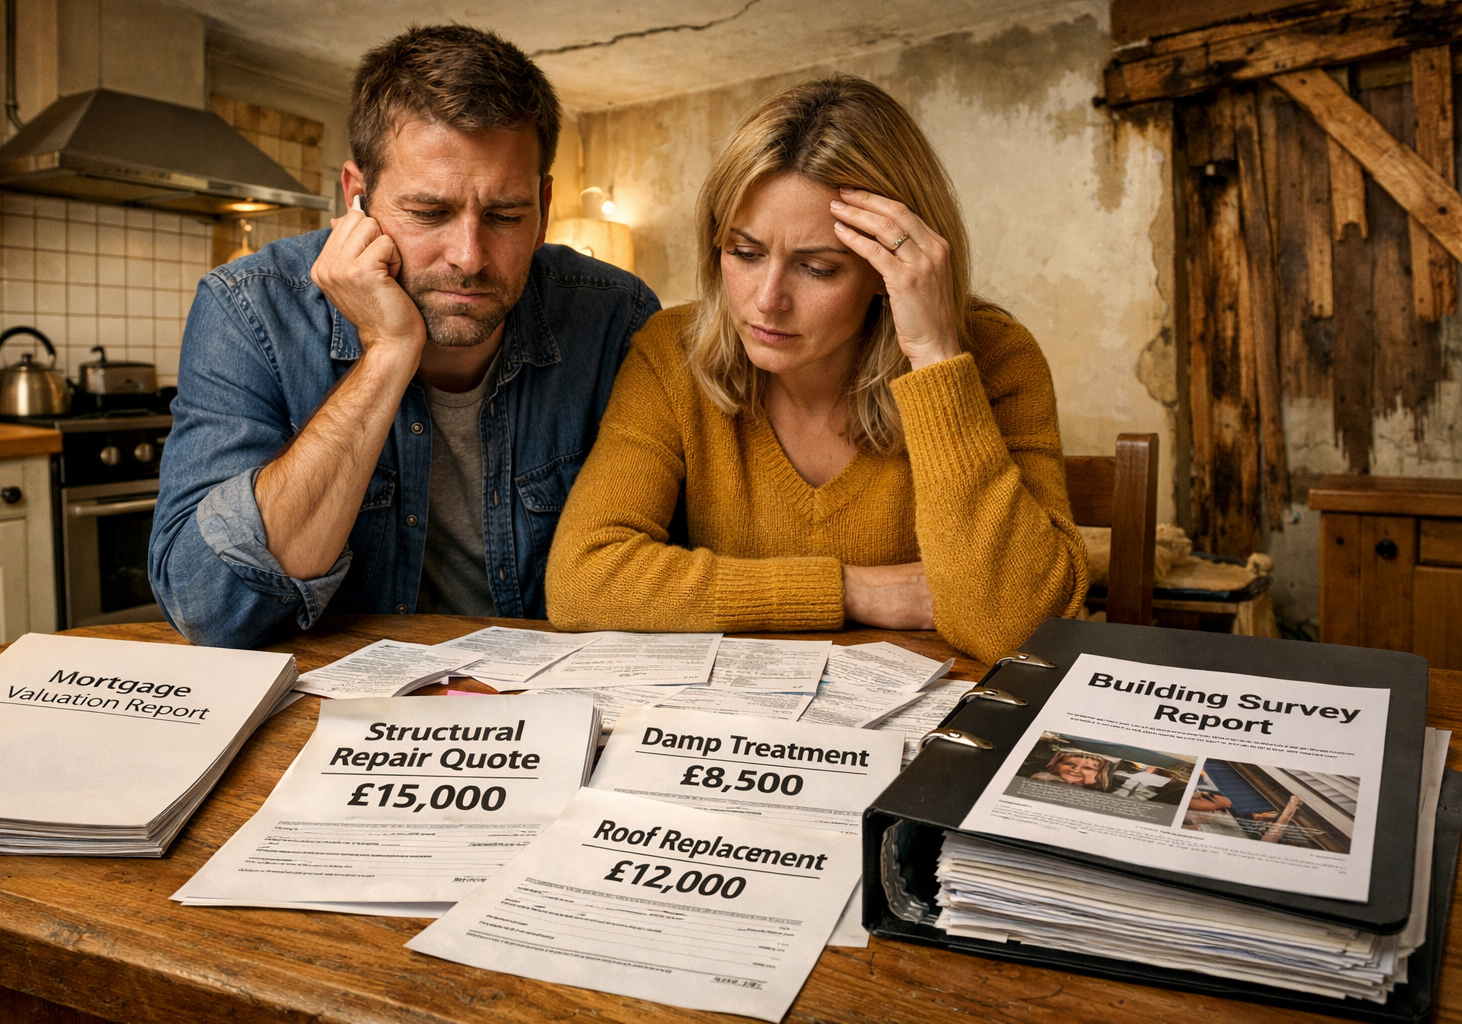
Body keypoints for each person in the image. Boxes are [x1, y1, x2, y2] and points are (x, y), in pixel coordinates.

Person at [544, 75, 1085, 662]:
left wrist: (934, 355)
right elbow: (582, 581)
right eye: (744, 254)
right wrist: (852, 589)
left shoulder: (996, 356)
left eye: (818, 268)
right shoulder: (672, 350)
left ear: (889, 271)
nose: (767, 299)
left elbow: (1017, 629)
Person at [150, 26, 659, 648]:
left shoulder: (616, 315)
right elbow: (210, 605)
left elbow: (665, 568)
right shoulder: (248, 308)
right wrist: (388, 354)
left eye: (505, 215)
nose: (469, 257)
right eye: (429, 213)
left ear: (544, 208)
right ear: (357, 198)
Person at [1030, 751, 1112, 791]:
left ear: (1100, 774)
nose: (1076, 769)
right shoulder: (1041, 778)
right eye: (1069, 763)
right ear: (1056, 764)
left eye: (1088, 768)